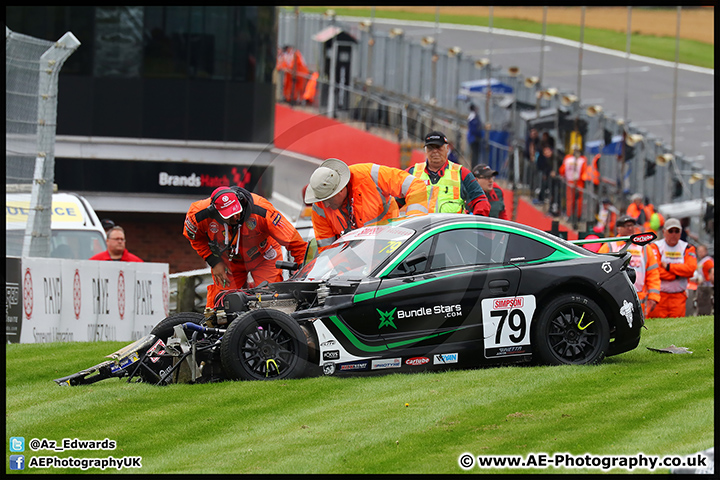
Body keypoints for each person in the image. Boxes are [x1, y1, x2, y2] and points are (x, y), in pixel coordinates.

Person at [184, 186, 308, 308]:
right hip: (229, 261)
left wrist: (303, 273)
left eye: (236, 211)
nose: (236, 217)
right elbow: (194, 238)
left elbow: (295, 242)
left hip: (264, 257)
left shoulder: (262, 210)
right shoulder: (198, 214)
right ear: (215, 213)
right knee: (223, 303)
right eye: (229, 215)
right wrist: (214, 261)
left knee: (270, 300)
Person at [305, 158, 428, 253]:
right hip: (359, 264)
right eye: (322, 199)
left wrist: (413, 226)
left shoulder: (369, 175)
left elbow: (415, 185)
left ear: (340, 190)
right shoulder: (319, 207)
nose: (325, 204)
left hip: (394, 250)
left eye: (329, 199)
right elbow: (329, 252)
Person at [406, 131, 490, 216]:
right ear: (426, 150)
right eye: (430, 148)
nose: (435, 151)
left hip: (451, 229)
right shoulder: (412, 173)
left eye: (439, 147)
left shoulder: (462, 173)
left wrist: (474, 225)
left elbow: (481, 200)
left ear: (447, 149)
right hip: (420, 228)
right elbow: (395, 201)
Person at [598, 215, 660, 317]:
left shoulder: (644, 248)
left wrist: (654, 296)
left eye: (632, 225)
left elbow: (653, 273)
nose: (630, 228)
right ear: (618, 228)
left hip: (640, 298)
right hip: (615, 296)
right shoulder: (609, 246)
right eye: (627, 226)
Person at [647, 218, 697, 318]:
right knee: (657, 327)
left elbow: (690, 269)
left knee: (677, 328)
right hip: (659, 296)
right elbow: (655, 271)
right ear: (664, 232)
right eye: (670, 231)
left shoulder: (688, 248)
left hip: (679, 297)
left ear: (680, 232)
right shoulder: (654, 247)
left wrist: (669, 267)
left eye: (676, 231)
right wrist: (677, 275)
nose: (673, 234)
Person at [559, 144, 587, 223]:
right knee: (575, 200)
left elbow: (562, 170)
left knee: (573, 200)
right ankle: (574, 216)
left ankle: (571, 215)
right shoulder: (582, 160)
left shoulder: (568, 159)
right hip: (577, 182)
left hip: (573, 182)